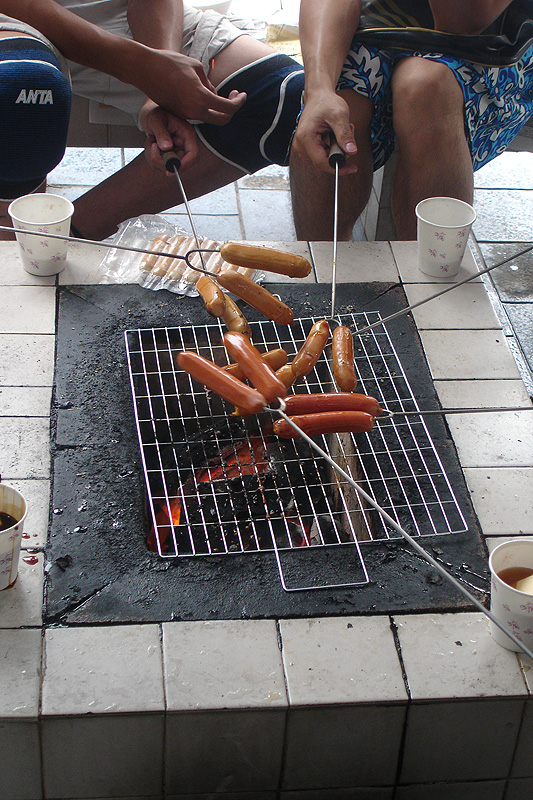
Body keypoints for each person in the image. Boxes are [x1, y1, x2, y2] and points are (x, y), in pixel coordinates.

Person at [0, 1, 304, 240]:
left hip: (109, 12)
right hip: (17, 14)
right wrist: (142, 68)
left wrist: (161, 89)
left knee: (284, 98)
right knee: (24, 84)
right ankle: (14, 259)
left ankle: (67, 232)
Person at [289, 0, 533, 241]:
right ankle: (319, 270)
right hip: (387, 24)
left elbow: (460, 22)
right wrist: (319, 91)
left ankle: (431, 275)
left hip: (495, 37)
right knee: (332, 111)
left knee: (425, 88)